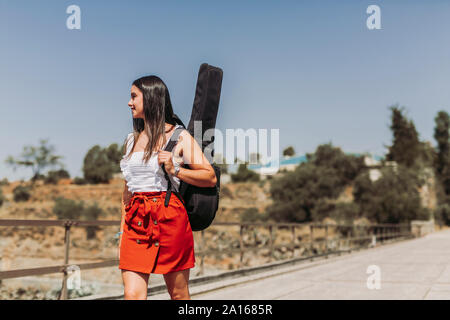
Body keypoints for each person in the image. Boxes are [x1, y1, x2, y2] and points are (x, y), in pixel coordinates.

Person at [118, 75, 217, 300]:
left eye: (134, 96)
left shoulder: (179, 136)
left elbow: (209, 177)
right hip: (136, 221)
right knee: (132, 295)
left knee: (179, 294)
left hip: (169, 218)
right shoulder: (131, 141)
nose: (129, 102)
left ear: (151, 97)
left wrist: (175, 169)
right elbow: (127, 192)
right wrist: (122, 230)